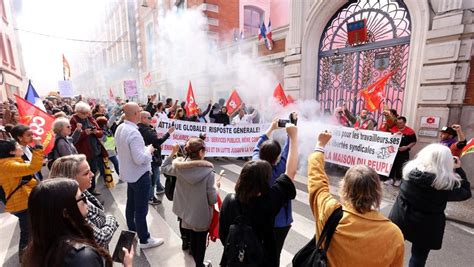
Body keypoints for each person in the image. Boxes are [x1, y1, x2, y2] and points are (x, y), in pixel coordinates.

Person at [308, 130, 404, 266]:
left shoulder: (330, 211)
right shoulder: (393, 234)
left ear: (344, 188)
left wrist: (320, 146)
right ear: (377, 191)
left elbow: (316, 182)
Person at [219, 124, 298, 267]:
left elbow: (223, 233)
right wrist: (292, 136)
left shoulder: (229, 200)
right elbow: (290, 172)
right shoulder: (268, 203)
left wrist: (271, 128)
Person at [389, 144, 471, 267]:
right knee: (418, 258)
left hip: (402, 217)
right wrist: (458, 169)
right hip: (427, 225)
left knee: (391, 250)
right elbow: (466, 193)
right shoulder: (445, 185)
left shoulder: (409, 173)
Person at [22, 178, 133, 267]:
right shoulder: (82, 257)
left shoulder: (36, 248)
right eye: (81, 198)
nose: (87, 202)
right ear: (65, 212)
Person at [115, 102, 164, 249]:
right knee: (141, 209)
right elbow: (140, 159)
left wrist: (144, 149)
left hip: (130, 174)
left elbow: (130, 152)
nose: (141, 113)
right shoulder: (133, 132)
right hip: (139, 175)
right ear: (135, 114)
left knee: (131, 206)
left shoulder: (120, 128)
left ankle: (133, 231)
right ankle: (145, 239)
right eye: (139, 111)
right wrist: (149, 150)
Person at [161, 138, 217, 266]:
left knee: (191, 240)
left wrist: (172, 152)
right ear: (201, 152)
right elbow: (213, 199)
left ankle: (195, 262)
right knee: (200, 243)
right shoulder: (209, 173)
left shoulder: (179, 168)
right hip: (201, 216)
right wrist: (217, 188)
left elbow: (164, 167)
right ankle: (199, 264)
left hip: (185, 214)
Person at [49, 154, 119, 248]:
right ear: (70, 180)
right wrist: (111, 218)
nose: (92, 174)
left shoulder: (82, 191)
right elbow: (102, 239)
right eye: (86, 173)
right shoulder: (72, 207)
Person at [251, 118, 291, 265]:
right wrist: (291, 134)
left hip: (258, 217)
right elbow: (288, 152)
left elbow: (257, 146)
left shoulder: (255, 163)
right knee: (274, 255)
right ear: (276, 158)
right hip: (279, 222)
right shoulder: (280, 170)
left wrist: (271, 128)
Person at [0, 137, 43, 261]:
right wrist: (38, 147)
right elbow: (32, 168)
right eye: (18, 146)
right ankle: (25, 259)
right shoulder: (8, 164)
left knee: (32, 230)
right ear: (11, 152)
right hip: (22, 204)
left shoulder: (10, 161)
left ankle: (32, 255)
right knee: (28, 232)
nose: (21, 147)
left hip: (24, 200)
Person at [138, 111, 174, 205]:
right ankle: (150, 197)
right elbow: (158, 141)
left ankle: (159, 188)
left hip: (150, 157)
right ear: (143, 119)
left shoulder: (142, 128)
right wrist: (168, 133)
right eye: (149, 118)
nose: (151, 119)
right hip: (152, 158)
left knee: (156, 174)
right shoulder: (145, 130)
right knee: (153, 178)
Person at [70, 102, 107, 195]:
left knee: (93, 171)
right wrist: (84, 133)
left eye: (87, 113)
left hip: (94, 150)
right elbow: (71, 139)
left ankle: (92, 189)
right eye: (84, 113)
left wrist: (95, 132)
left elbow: (100, 132)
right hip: (83, 152)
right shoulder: (73, 120)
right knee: (83, 174)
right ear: (77, 111)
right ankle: (85, 192)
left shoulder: (89, 118)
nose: (86, 115)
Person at [386, 116, 417, 186]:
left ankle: (398, 179)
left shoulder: (410, 131)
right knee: (391, 165)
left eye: (400, 123)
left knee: (400, 166)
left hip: (403, 152)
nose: (398, 124)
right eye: (397, 123)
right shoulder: (392, 129)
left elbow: (414, 142)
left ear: (404, 123)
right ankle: (390, 179)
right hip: (392, 152)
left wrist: (406, 147)